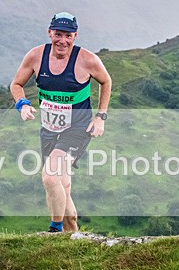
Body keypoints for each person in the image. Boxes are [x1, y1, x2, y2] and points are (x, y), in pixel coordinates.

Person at [10, 12, 112, 233]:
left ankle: (54, 231)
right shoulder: (36, 56)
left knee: (49, 178)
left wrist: (100, 117)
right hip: (49, 130)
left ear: (75, 36)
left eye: (68, 35)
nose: (62, 41)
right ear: (50, 33)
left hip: (77, 128)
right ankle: (71, 229)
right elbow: (16, 84)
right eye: (58, 34)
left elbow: (106, 81)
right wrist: (23, 105)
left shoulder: (87, 60)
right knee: (61, 185)